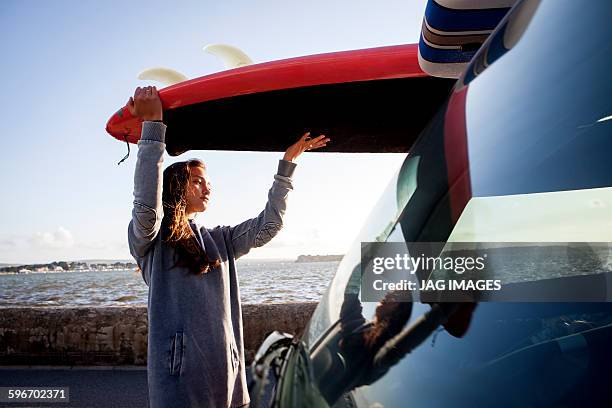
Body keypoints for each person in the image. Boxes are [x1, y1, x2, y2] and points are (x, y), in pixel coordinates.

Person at [126, 85, 329, 408]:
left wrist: (287, 163)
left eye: (208, 182)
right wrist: (152, 128)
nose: (207, 188)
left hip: (229, 382)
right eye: (197, 180)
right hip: (179, 386)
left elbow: (268, 226)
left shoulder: (220, 239)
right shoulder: (151, 240)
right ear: (177, 187)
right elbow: (146, 207)